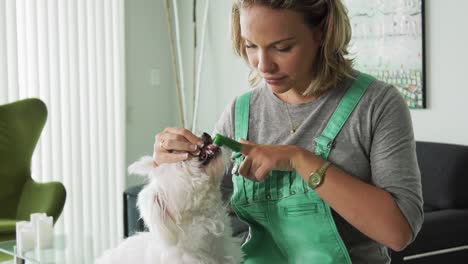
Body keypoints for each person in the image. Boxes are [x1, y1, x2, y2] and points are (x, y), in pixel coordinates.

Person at [153, 0, 423, 263]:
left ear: (322, 32)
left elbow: (398, 233)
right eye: (250, 46)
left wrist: (298, 159)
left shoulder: (376, 104)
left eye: (282, 48)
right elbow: (199, 213)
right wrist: (168, 168)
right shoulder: (240, 112)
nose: (263, 65)